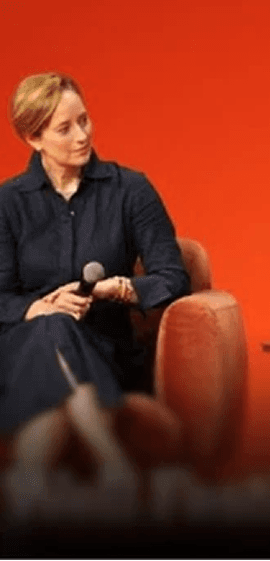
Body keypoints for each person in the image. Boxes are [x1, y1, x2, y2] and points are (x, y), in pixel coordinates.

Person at [0, 72, 190, 482]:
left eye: (84, 120)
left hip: (104, 348)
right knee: (52, 326)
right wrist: (37, 307)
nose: (82, 135)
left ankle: (26, 493)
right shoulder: (7, 203)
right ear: (34, 139)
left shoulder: (131, 190)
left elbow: (174, 277)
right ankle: (114, 463)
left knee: (53, 354)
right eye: (65, 129)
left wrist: (119, 288)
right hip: (19, 350)